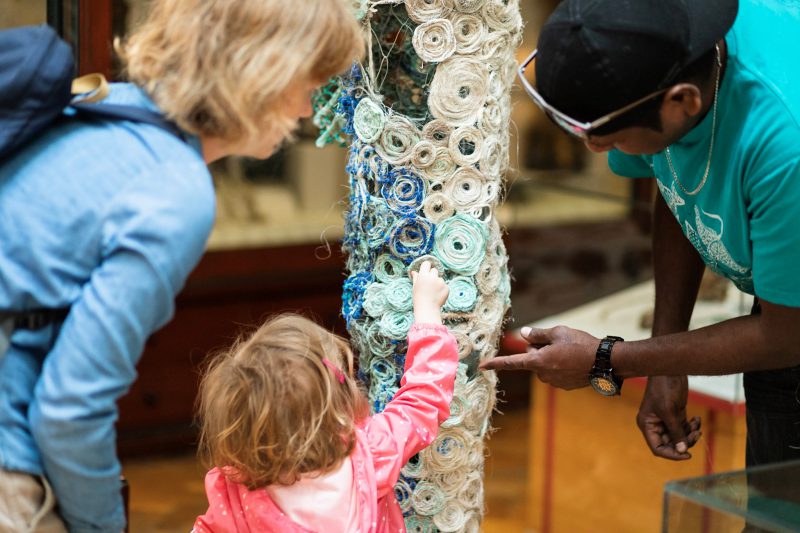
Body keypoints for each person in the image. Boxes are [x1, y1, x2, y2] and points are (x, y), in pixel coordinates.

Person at [0, 0, 363, 531]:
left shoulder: (100, 103)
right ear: (265, 74)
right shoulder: (175, 193)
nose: (308, 109)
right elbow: (69, 410)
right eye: (310, 83)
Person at [482, 0, 800, 468]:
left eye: (605, 139)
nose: (594, 148)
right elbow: (678, 187)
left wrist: (608, 359)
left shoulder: (783, 143)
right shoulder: (661, 52)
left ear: (681, 102)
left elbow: (786, 335)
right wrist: (665, 360)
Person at [192, 260, 457, 533]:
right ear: (338, 405)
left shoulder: (236, 494)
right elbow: (424, 398)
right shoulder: (371, 453)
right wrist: (427, 309)